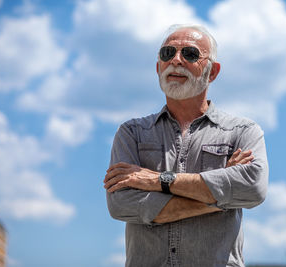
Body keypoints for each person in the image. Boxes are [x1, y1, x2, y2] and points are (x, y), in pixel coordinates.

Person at [104, 24, 269, 267]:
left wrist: (159, 181)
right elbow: (121, 205)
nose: (176, 60)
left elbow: (253, 188)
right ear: (158, 67)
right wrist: (221, 196)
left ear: (212, 72)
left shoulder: (242, 132)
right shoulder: (132, 133)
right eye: (167, 53)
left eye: (190, 54)